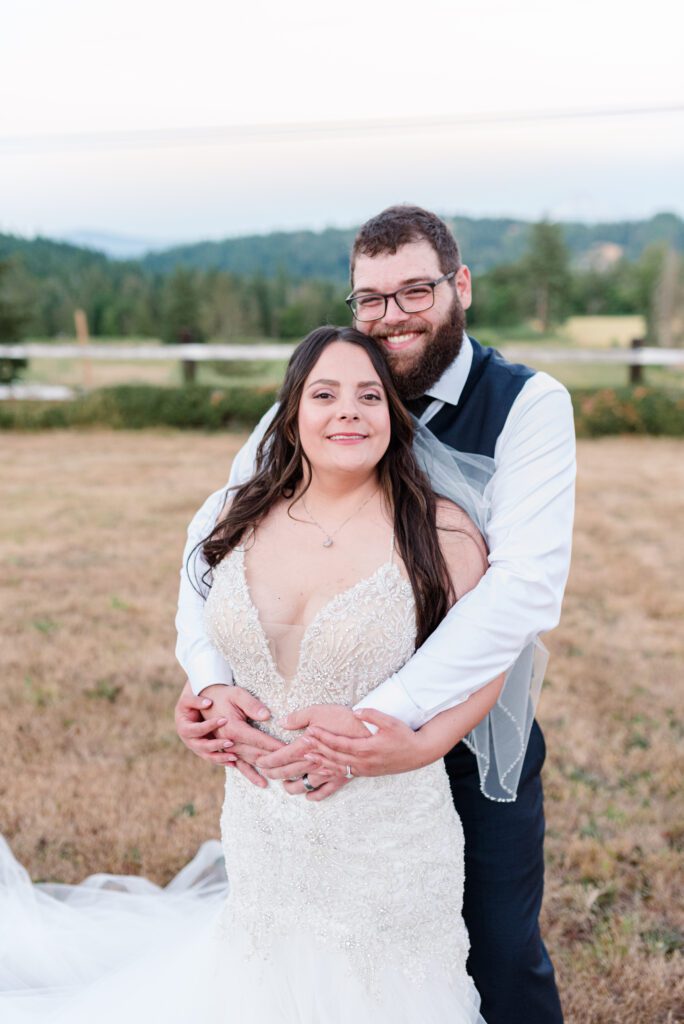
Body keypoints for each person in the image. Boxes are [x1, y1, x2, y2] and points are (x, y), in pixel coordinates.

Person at [0, 326, 500, 1024]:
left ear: (395, 414)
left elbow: (480, 671)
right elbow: (213, 637)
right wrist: (203, 698)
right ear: (293, 411)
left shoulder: (440, 533)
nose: (348, 411)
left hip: (386, 839)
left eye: (369, 396)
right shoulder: (240, 517)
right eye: (325, 394)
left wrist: (417, 746)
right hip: (262, 825)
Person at [175, 205, 576, 1024]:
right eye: (371, 298)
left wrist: (388, 723)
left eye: (414, 291)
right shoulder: (321, 394)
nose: (391, 317)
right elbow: (220, 544)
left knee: (496, 953)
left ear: (459, 287)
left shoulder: (529, 404)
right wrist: (211, 682)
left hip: (462, 725)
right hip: (300, 759)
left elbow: (524, 590)